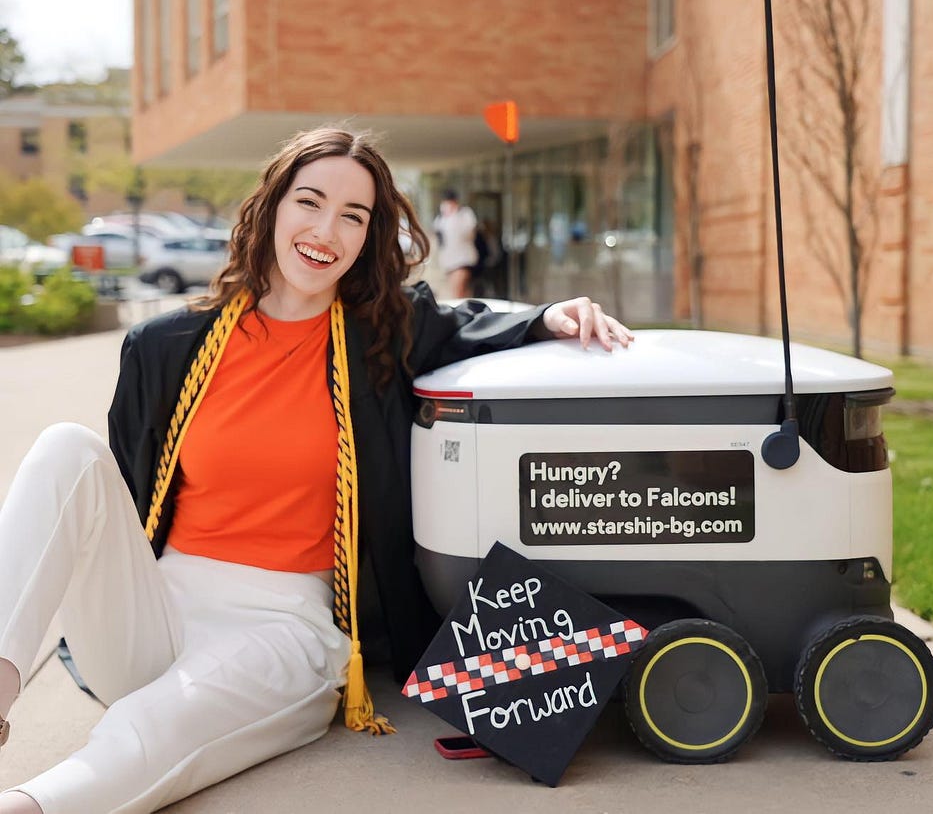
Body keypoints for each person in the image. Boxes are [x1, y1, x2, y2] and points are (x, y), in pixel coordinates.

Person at [0, 126, 633, 814]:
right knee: (66, 447)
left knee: (153, 724)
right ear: (272, 205)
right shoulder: (167, 344)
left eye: (353, 215)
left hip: (285, 627)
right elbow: (116, 503)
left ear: (369, 236)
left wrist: (552, 318)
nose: (326, 229)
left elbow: (476, 321)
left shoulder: (385, 337)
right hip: (157, 607)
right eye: (310, 201)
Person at [431, 188, 478, 299]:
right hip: (448, 262)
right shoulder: (441, 218)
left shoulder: (464, 214)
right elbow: (438, 237)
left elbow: (469, 234)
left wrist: (454, 216)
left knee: (457, 292)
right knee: (462, 293)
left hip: (463, 260)